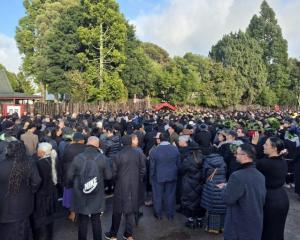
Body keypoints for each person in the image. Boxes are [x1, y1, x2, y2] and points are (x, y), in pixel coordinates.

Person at [68, 136, 112, 240]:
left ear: (87, 143)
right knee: (96, 220)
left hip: (80, 193)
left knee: (82, 220)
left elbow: (69, 175)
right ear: (97, 145)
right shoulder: (103, 158)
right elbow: (109, 176)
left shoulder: (78, 157)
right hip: (97, 193)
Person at [219, 144, 266, 240]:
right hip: (255, 223)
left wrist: (224, 189)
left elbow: (228, 199)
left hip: (238, 226)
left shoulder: (237, 176)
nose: (235, 155)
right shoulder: (260, 175)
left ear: (245, 156)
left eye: (237, 153)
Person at [105, 135, 146, 240]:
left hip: (120, 186)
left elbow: (113, 173)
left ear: (122, 143)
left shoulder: (118, 155)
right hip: (135, 185)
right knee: (130, 210)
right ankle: (128, 234)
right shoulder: (139, 153)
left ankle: (113, 234)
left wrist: (117, 181)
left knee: (117, 211)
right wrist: (138, 180)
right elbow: (143, 170)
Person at [0, 141, 41, 240]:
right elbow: (36, 181)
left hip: (3, 208)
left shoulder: (2, 164)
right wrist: (30, 191)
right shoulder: (29, 163)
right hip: (22, 206)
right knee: (22, 233)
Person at [256, 137, 290, 240]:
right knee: (277, 230)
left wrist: (253, 146)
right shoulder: (283, 161)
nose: (263, 145)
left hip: (269, 200)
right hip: (283, 198)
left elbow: (250, 163)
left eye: (266, 144)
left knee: (267, 231)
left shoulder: (264, 163)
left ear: (274, 148)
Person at [149, 132, 180, 220]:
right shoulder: (175, 149)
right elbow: (178, 164)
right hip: (172, 175)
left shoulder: (154, 151)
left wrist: (151, 178)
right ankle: (170, 214)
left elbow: (152, 167)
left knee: (157, 195)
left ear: (160, 139)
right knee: (170, 195)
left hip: (158, 176)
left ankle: (158, 214)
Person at [32, 142, 58, 240]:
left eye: (38, 150)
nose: (36, 151)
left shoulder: (38, 163)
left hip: (42, 195)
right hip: (52, 193)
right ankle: (49, 236)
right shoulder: (54, 160)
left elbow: (36, 181)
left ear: (42, 152)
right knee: (50, 217)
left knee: (39, 219)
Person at [180, 145, 205, 228]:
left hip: (189, 184)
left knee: (189, 202)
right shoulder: (204, 158)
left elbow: (182, 170)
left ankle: (190, 221)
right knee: (200, 201)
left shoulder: (187, 160)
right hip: (201, 184)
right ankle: (199, 221)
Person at [201, 153, 227, 233]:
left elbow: (204, 174)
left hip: (211, 185)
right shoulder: (222, 161)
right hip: (222, 184)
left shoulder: (207, 161)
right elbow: (226, 171)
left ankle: (212, 228)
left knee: (212, 208)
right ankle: (222, 227)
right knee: (222, 207)